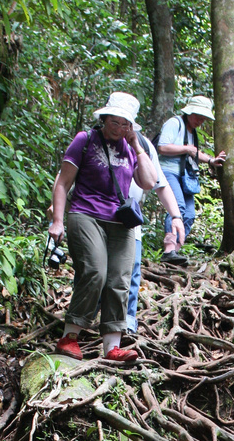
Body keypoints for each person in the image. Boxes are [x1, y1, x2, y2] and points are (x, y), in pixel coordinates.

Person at [48, 92, 157, 363]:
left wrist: (137, 145)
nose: (119, 128)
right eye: (115, 122)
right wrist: (58, 221)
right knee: (95, 271)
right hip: (85, 214)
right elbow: (62, 183)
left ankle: (112, 347)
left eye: (125, 124)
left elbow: (148, 182)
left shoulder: (132, 145)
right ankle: (69, 336)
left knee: (119, 279)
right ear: (104, 118)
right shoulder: (84, 140)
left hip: (121, 221)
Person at [125, 132, 186, 334]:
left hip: (130, 218)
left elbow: (160, 184)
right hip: (98, 216)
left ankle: (127, 323)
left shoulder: (143, 145)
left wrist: (176, 216)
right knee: (97, 271)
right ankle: (88, 319)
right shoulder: (94, 139)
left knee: (132, 272)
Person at [156, 94, 226, 264]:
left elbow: (193, 152)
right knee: (177, 207)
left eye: (203, 118)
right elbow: (162, 147)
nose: (200, 121)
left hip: (185, 175)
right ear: (189, 112)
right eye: (198, 116)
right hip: (169, 172)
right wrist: (186, 149)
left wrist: (210, 160)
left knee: (189, 214)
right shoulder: (175, 123)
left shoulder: (192, 132)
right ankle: (169, 250)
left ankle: (175, 253)